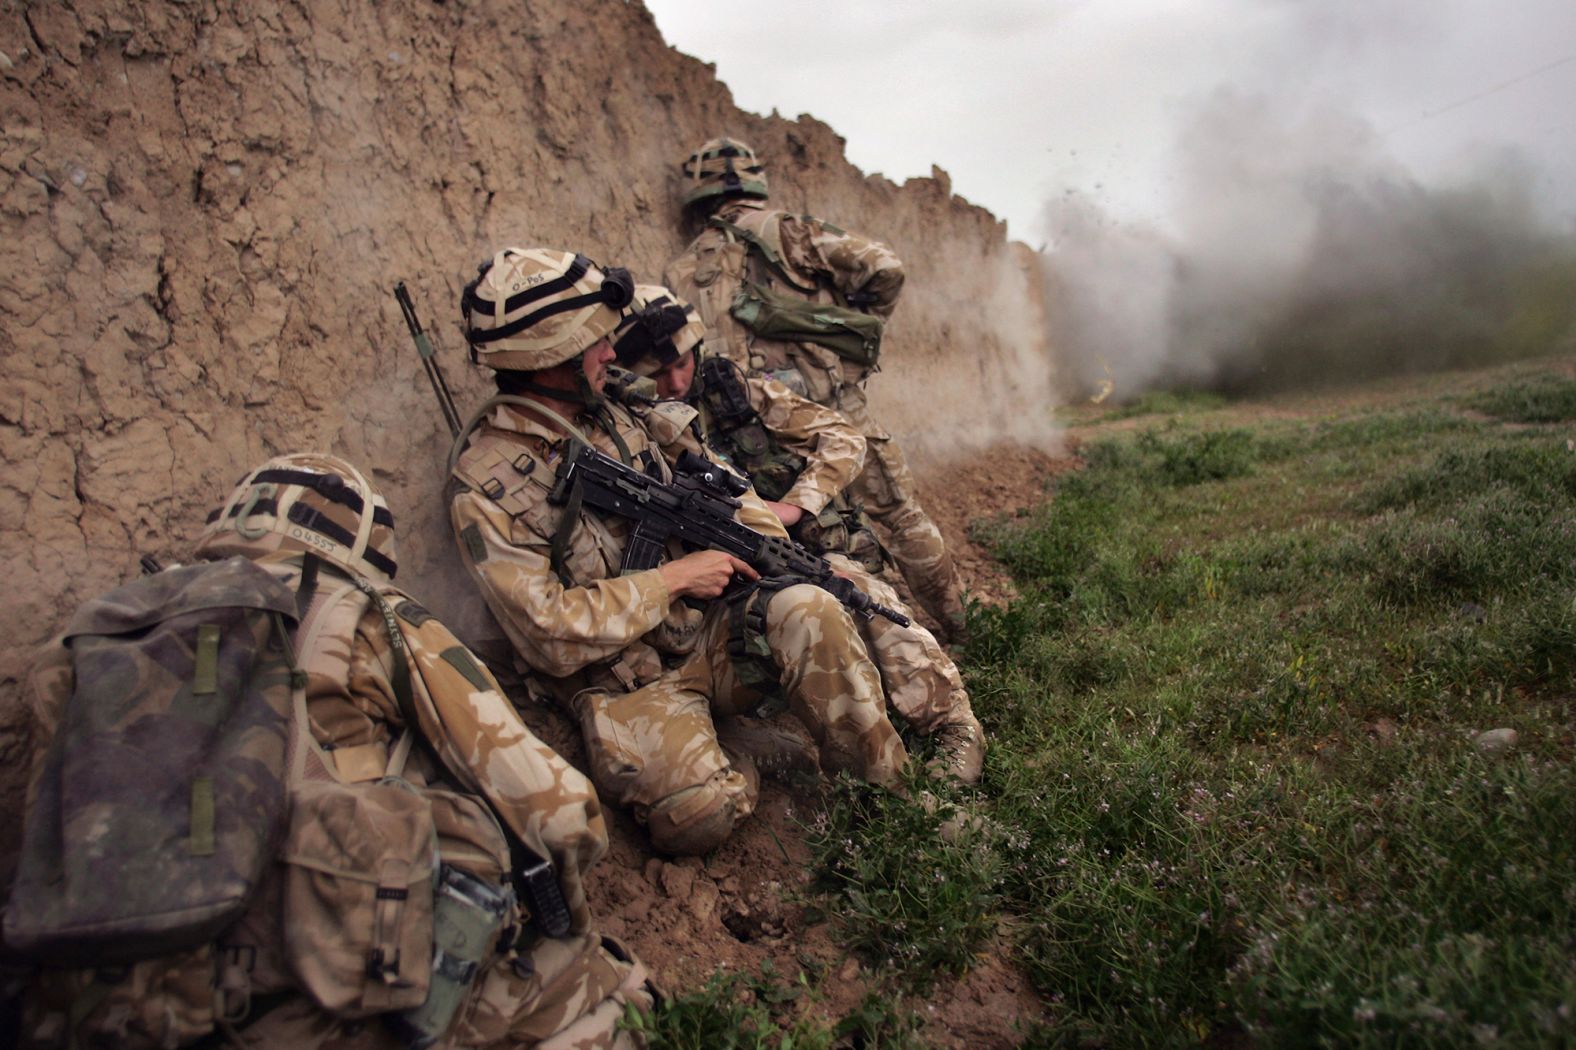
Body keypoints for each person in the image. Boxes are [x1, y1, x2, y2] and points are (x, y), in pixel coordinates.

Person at [10, 453, 652, 1049]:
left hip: (85, 1010)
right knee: (614, 992)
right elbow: (558, 813)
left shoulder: (87, 638)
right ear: (360, 550)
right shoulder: (368, 617)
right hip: (302, 1007)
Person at [446, 247, 912, 857]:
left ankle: (890, 801)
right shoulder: (486, 487)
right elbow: (545, 634)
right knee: (699, 817)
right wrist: (672, 579)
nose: (611, 353)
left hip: (703, 634)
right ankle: (739, 745)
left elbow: (719, 484)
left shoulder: (623, 412)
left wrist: (771, 553)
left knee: (810, 607)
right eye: (594, 343)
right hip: (625, 684)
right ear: (547, 356)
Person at [610, 285, 984, 783]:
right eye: (657, 374)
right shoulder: (628, 429)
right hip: (711, 587)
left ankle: (949, 723)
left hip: (781, 551)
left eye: (682, 363)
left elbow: (844, 437)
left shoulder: (734, 390)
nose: (677, 382)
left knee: (857, 589)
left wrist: (794, 506)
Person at [663, 136, 969, 643]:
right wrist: (849, 327)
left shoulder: (679, 270)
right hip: (831, 412)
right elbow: (884, 267)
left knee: (812, 548)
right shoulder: (787, 231)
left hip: (751, 436)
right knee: (898, 514)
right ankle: (959, 630)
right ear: (755, 184)